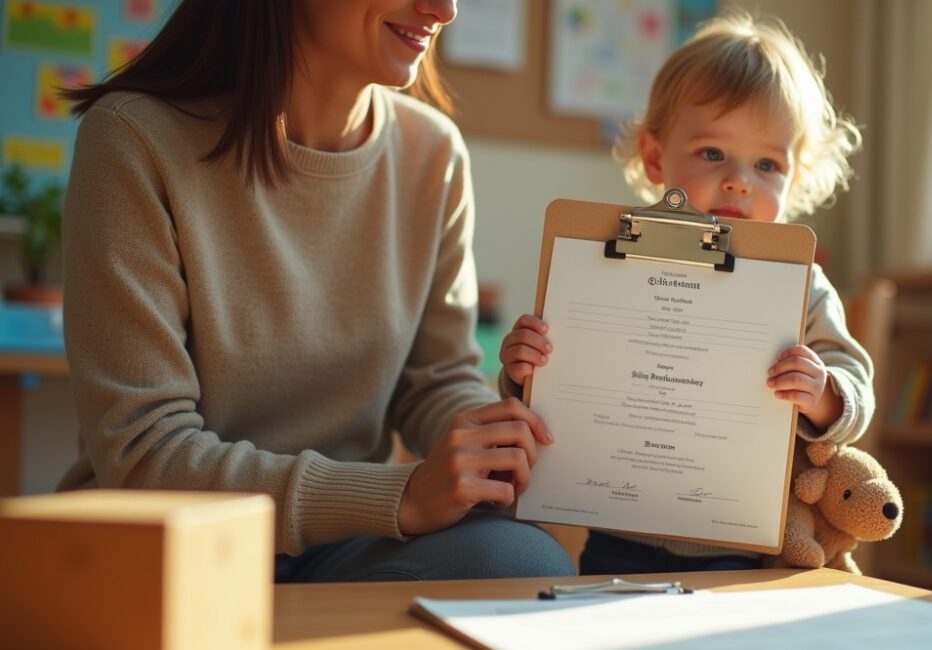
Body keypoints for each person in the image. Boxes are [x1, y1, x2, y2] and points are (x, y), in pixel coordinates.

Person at [57, 0, 575, 582]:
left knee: (524, 563)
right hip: (171, 550)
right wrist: (400, 494)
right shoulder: (134, 139)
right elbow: (143, 451)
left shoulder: (433, 152)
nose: (445, 11)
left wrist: (494, 445)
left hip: (346, 542)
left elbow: (435, 380)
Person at [498, 10, 874, 574]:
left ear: (793, 180)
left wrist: (824, 393)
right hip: (619, 530)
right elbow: (573, 371)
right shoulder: (611, 263)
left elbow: (855, 381)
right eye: (713, 153)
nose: (739, 180)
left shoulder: (801, 284)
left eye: (768, 163)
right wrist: (525, 370)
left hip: (751, 548)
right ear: (655, 158)